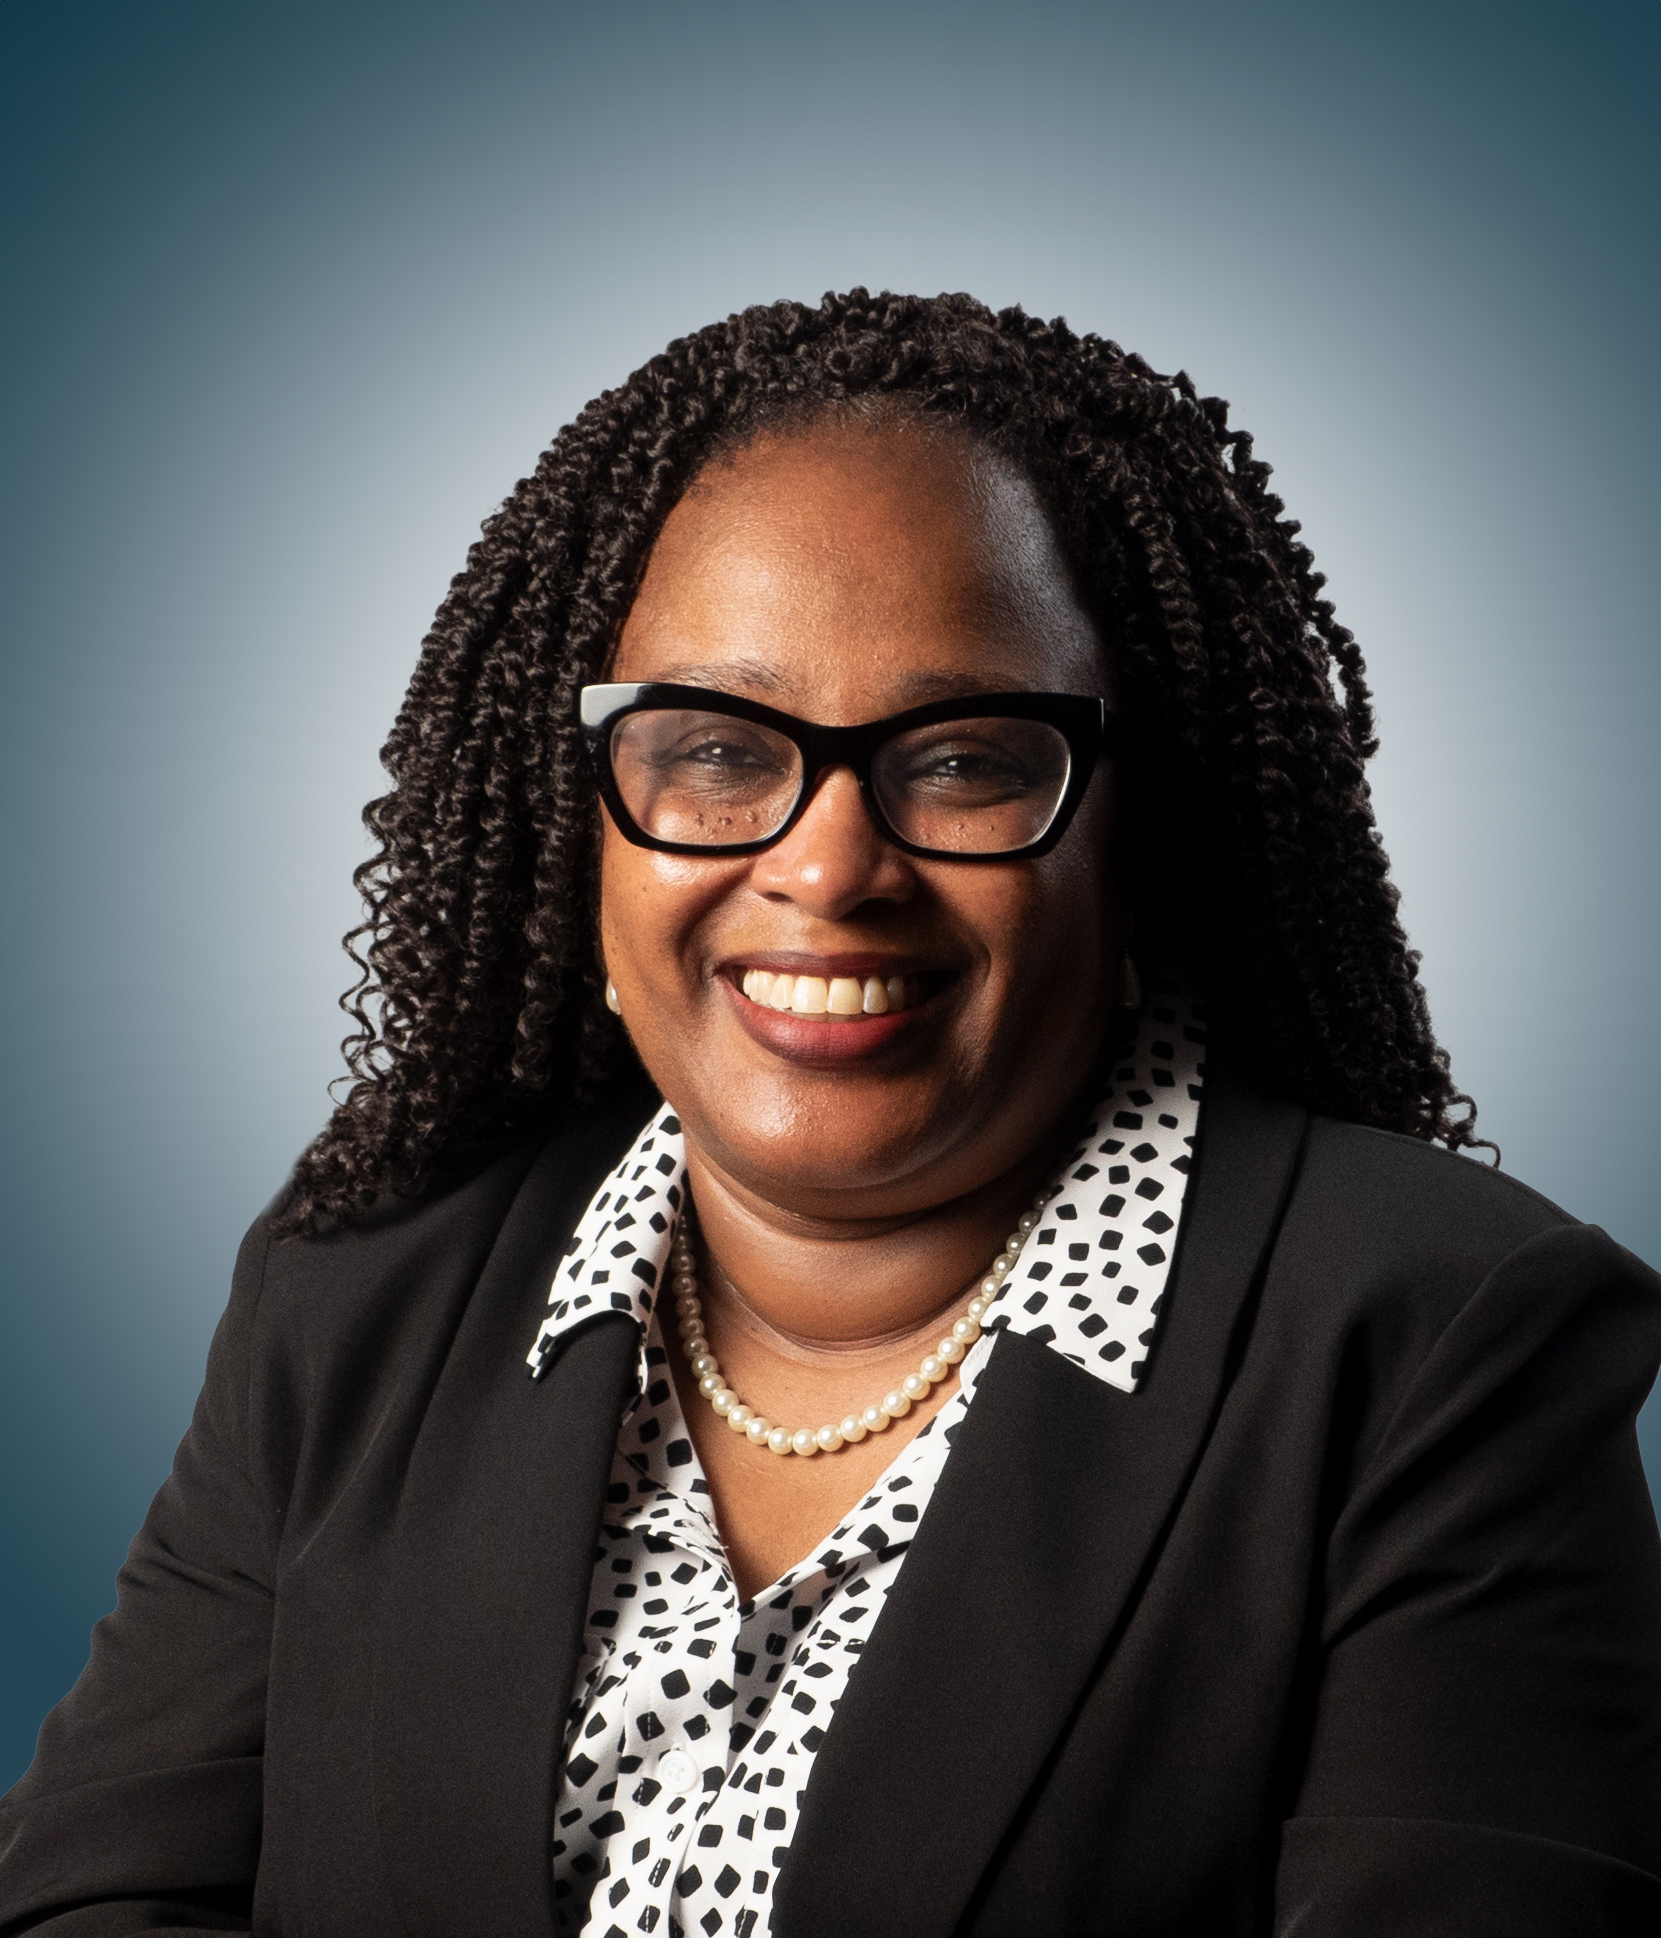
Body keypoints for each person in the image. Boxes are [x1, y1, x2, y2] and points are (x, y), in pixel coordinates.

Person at [2, 289, 1658, 1938]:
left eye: (962, 758)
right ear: (585, 832)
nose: (826, 865)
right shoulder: (357, 1290)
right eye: (718, 751)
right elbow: (98, 1898)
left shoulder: (1439, 1344)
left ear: (1134, 831)